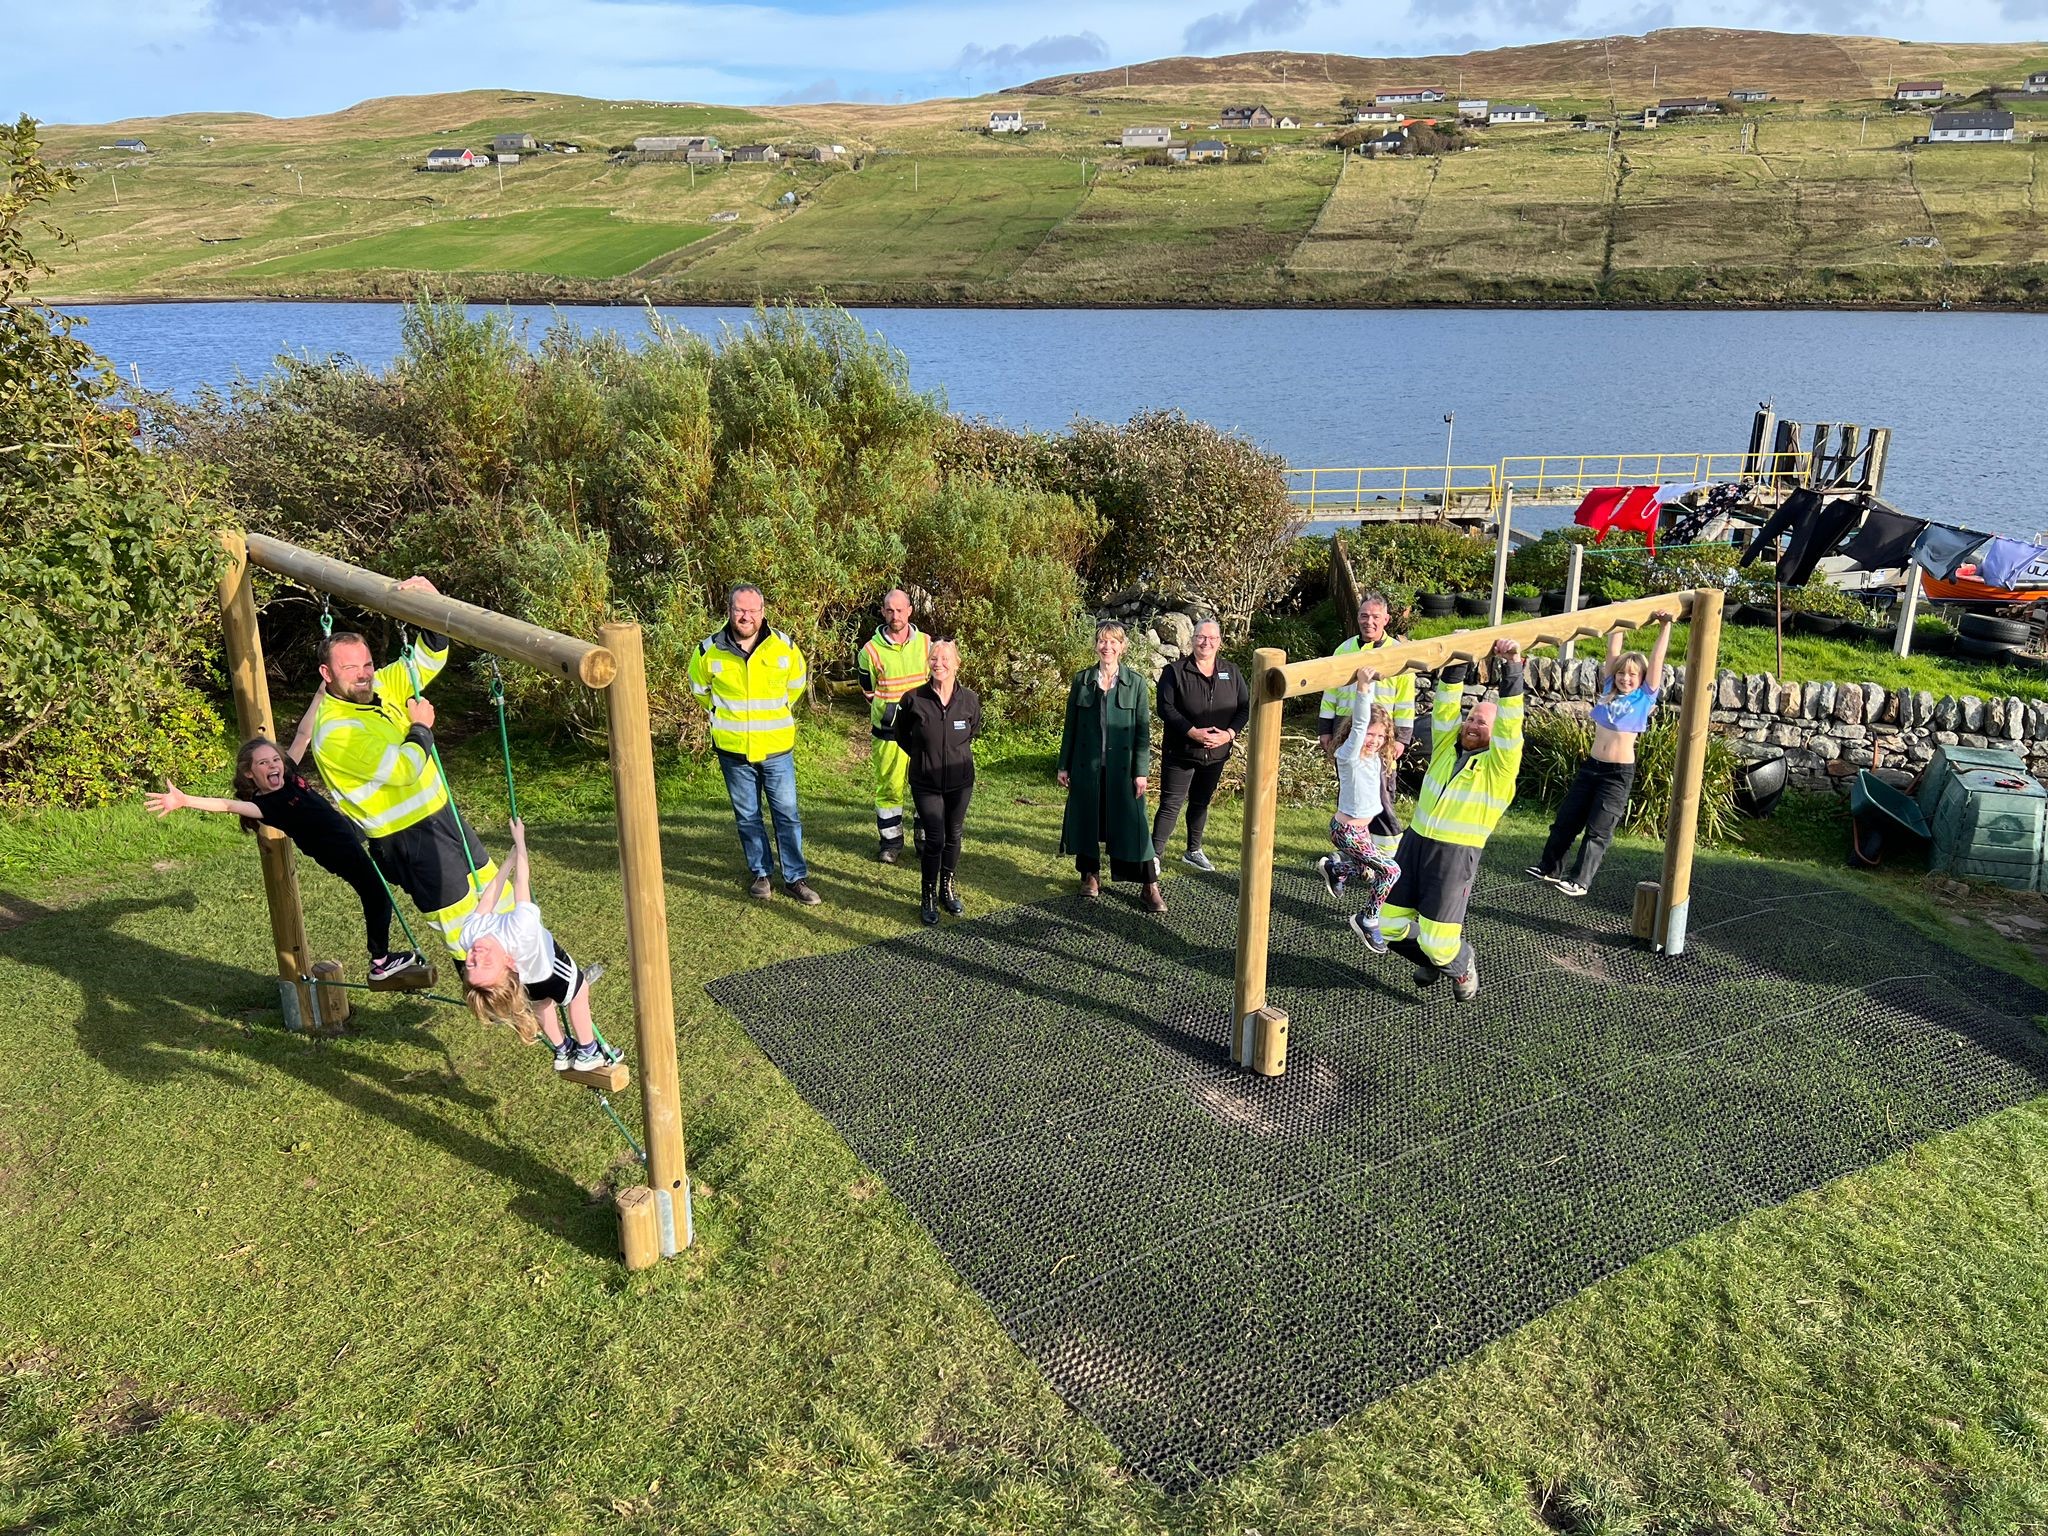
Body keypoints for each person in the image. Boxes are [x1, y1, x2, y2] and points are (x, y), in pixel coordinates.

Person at [307, 578, 513, 959]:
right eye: (350, 667)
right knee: (463, 929)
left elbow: (430, 655)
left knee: (499, 897)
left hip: (442, 816)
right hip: (407, 839)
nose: (363, 673)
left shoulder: (383, 685)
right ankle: (495, 1004)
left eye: (367, 663)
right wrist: (421, 727)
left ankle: (535, 986)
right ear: (327, 673)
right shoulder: (336, 732)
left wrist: (431, 602)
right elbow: (404, 770)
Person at [145, 735, 428, 987]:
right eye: (263, 764)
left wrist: (323, 691)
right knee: (377, 895)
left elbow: (304, 734)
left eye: (274, 760)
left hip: (347, 831)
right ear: (249, 773)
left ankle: (403, 876)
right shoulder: (266, 807)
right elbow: (227, 805)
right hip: (338, 851)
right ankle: (380, 961)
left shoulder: (289, 776)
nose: (272, 766)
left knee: (384, 839)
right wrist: (185, 800)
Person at [1369, 639, 1525, 1001]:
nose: (1472, 725)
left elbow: (1511, 725)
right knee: (1387, 925)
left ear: (1495, 732)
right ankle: (1438, 960)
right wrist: (1457, 655)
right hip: (1415, 844)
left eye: (1482, 723)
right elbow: (1444, 708)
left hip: (1454, 857)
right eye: (1470, 718)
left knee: (1440, 944)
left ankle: (1457, 962)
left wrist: (1513, 667)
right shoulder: (1446, 747)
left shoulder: (1498, 767)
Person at [688, 584, 820, 904]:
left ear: (763, 612)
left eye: (752, 610)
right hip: (733, 751)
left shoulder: (784, 647)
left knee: (786, 814)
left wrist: (772, 715)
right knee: (748, 816)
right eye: (739, 610)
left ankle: (795, 878)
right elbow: (700, 689)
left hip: (776, 748)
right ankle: (761, 874)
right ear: (729, 611)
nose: (746, 616)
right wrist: (724, 715)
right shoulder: (708, 651)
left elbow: (795, 685)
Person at [1530, 612, 1675, 897]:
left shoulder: (1645, 696)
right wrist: (1618, 617)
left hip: (1617, 775)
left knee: (1598, 830)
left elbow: (1657, 659)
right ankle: (1549, 867)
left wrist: (1665, 626)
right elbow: (1613, 650)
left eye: (1633, 674)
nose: (1625, 678)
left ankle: (1580, 881)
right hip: (1591, 768)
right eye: (1622, 673)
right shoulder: (1609, 688)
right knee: (1566, 821)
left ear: (1643, 679)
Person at [459, 819, 620, 1074]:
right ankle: (588, 1050)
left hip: (528, 982)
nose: (476, 955)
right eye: (486, 963)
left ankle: (562, 1048)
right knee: (579, 994)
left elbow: (488, 899)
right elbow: (522, 882)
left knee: (541, 1004)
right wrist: (520, 843)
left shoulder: (469, 936)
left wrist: (507, 863)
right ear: (509, 962)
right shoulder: (520, 930)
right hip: (550, 969)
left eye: (470, 963)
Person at [1058, 621, 1166, 913]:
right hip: (1087, 767)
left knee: (1136, 825)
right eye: (1103, 641)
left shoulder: (1137, 683)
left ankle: (1149, 886)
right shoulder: (1082, 680)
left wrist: (1141, 771)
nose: (1107, 647)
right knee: (1088, 821)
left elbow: (1143, 732)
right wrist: (1063, 765)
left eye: (1113, 642)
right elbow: (1071, 726)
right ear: (1096, 645)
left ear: (1122, 647)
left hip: (1123, 770)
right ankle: (1090, 876)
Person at [891, 638, 982, 925]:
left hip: (960, 781)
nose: (939, 664)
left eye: (945, 659)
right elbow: (901, 735)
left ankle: (947, 888)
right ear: (928, 662)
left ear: (957, 664)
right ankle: (928, 893)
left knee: (954, 834)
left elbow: (973, 730)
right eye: (934, 658)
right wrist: (925, 755)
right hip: (925, 781)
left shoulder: (970, 699)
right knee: (935, 838)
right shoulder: (913, 698)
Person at [1151, 618, 1249, 872]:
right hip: (1181, 752)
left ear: (1219, 642)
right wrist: (1191, 732)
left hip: (1216, 754)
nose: (1206, 642)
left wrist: (1228, 735)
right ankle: (1154, 856)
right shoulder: (1175, 671)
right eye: (1201, 637)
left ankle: (1193, 851)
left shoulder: (1231, 671)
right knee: (1171, 804)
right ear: (1192, 640)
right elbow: (1165, 707)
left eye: (1212, 638)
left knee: (1200, 803)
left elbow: (1244, 708)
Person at [1318, 592, 1416, 839]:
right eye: (1364, 616)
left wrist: (1402, 738)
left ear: (1386, 619)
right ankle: (1354, 843)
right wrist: (1325, 729)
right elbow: (1330, 693)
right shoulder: (1344, 650)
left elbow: (1405, 701)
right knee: (1351, 789)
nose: (1368, 621)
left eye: (1375, 616)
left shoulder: (1397, 653)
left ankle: (1383, 841)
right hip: (1347, 732)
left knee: (1383, 787)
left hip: (1381, 736)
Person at [1316, 697, 1403, 954]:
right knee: (1391, 871)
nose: (1375, 740)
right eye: (1369, 734)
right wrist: (1364, 686)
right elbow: (1361, 720)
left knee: (1369, 873)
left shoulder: (1373, 756)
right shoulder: (1349, 755)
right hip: (1347, 832)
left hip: (1361, 831)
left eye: (1381, 736)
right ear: (1356, 731)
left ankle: (1337, 869)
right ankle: (1368, 919)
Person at [856, 588, 930, 865]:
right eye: (889, 610)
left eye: (900, 609)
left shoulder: (926, 644)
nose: (895, 615)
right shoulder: (870, 651)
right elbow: (867, 690)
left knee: (925, 785)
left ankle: (925, 839)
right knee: (889, 788)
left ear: (910, 610)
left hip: (923, 731)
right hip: (888, 733)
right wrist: (889, 712)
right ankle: (891, 842)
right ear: (883, 612)